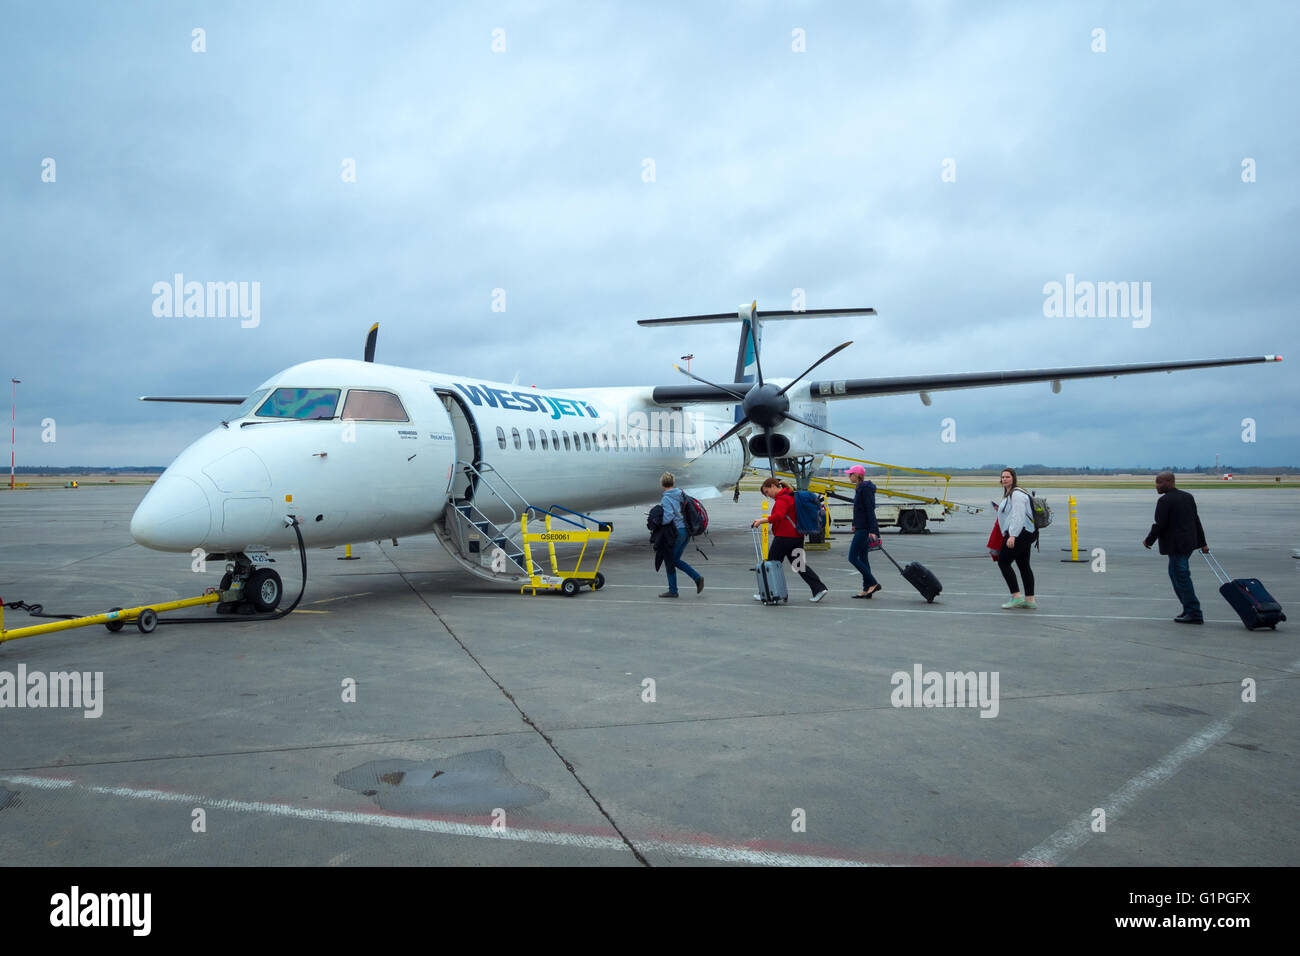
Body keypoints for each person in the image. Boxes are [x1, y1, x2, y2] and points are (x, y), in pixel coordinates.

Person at [1142, 471, 1208, 623]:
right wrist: (1203, 543)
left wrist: (1149, 540)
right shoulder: (1187, 496)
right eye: (1156, 483)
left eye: (1160, 483)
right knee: (1176, 575)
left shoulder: (1165, 501)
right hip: (1188, 544)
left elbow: (1160, 524)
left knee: (1181, 578)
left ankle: (1194, 612)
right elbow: (1196, 521)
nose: (1156, 486)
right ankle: (1188, 609)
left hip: (1176, 545)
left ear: (1170, 482)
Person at [751, 477, 829, 602]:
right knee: (799, 565)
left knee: (771, 564)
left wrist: (761, 520)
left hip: (784, 537)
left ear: (773, 486)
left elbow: (778, 516)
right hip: (797, 536)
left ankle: (768, 593)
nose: (768, 496)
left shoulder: (783, 499)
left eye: (767, 492)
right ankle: (819, 588)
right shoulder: (791, 496)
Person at [996, 468, 1037, 609]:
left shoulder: (1017, 494)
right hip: (1026, 532)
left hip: (1020, 533)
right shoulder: (1011, 494)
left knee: (1003, 561)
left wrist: (1012, 535)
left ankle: (1016, 596)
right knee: (1024, 565)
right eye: (1003, 477)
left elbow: (1018, 516)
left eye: (1007, 476)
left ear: (1013, 478)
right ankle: (1030, 600)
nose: (1005, 479)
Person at [657, 473, 703, 598]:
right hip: (687, 531)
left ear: (662, 484)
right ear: (673, 482)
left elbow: (668, 517)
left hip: (676, 532)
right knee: (675, 560)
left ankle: (674, 590)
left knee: (669, 560)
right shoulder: (681, 494)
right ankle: (696, 578)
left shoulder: (666, 498)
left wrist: (658, 522)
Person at [845, 465, 882, 598]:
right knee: (863, 558)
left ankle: (873, 583)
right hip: (861, 527)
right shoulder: (860, 488)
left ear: (857, 475)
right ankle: (867, 589)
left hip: (865, 529)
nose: (849, 476)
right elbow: (859, 509)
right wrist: (854, 524)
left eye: (850, 474)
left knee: (852, 557)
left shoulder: (865, 489)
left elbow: (869, 510)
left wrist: (872, 531)